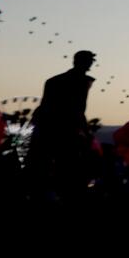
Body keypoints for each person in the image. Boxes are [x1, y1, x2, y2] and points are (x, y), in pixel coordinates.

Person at [29, 50, 97, 189]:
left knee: (45, 164)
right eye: (89, 60)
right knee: (66, 166)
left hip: (48, 128)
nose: (91, 63)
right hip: (64, 130)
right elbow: (77, 109)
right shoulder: (81, 82)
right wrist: (85, 130)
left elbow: (45, 105)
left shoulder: (54, 80)